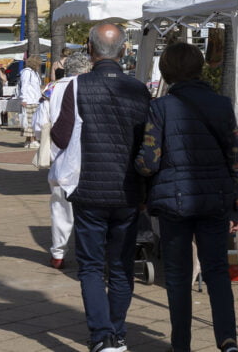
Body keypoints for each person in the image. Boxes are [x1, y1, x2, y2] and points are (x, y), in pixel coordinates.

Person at [135, 42, 238, 352]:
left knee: (178, 276)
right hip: (214, 200)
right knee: (217, 271)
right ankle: (227, 340)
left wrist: (136, 169)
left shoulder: (160, 108)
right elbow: (236, 159)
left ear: (167, 71)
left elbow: (148, 161)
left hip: (173, 202)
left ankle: (181, 343)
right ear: (199, 68)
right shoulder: (222, 105)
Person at [65, 23, 150, 352]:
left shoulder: (77, 88)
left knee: (89, 265)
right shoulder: (138, 90)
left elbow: (62, 137)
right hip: (127, 191)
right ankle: (117, 331)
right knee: (121, 265)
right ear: (125, 51)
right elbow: (148, 143)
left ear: (89, 49)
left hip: (88, 189)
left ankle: (102, 336)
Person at [32, 50, 92, 269]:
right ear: (87, 69)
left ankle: (58, 253)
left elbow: (39, 126)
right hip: (90, 156)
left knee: (60, 208)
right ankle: (89, 253)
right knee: (91, 210)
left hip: (60, 157)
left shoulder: (50, 89)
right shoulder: (92, 87)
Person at [18, 57, 44, 148]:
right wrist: (24, 99)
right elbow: (24, 85)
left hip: (35, 100)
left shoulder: (34, 73)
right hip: (29, 100)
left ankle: (28, 141)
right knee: (30, 121)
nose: (39, 66)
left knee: (31, 121)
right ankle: (32, 140)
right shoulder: (27, 72)